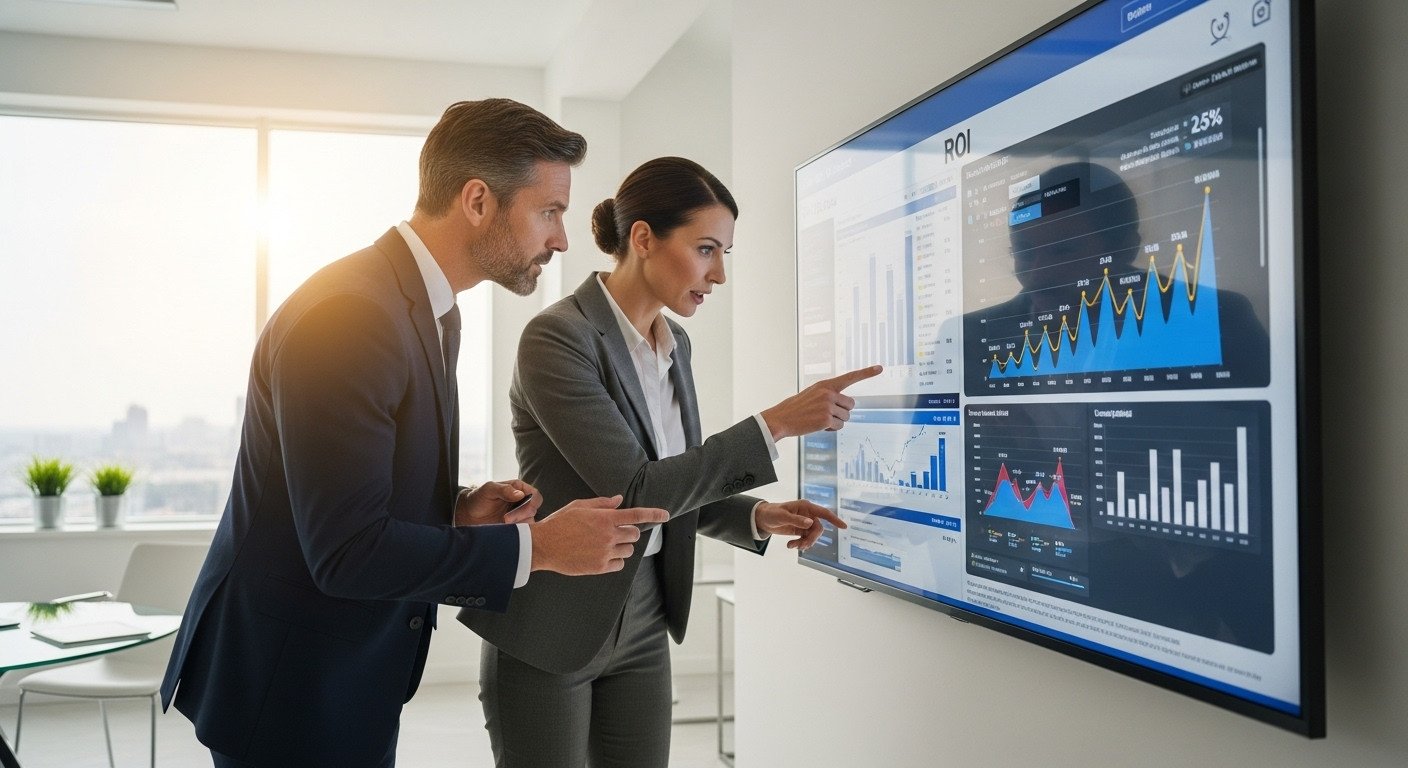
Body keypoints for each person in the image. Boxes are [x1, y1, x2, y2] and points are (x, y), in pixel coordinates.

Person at [159, 99, 670, 768]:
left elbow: (345, 485)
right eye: (549, 211)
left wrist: (455, 508)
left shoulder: (428, 310)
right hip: (290, 689)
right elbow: (345, 550)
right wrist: (536, 549)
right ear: (478, 201)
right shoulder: (351, 314)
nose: (563, 239)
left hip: (339, 674)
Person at [460, 156, 881, 767]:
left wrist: (755, 516)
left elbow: (672, 480)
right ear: (642, 238)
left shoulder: (674, 343)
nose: (718, 275)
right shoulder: (556, 339)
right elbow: (635, 487)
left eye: (724, 255)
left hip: (645, 617)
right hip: (551, 623)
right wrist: (777, 423)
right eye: (706, 249)